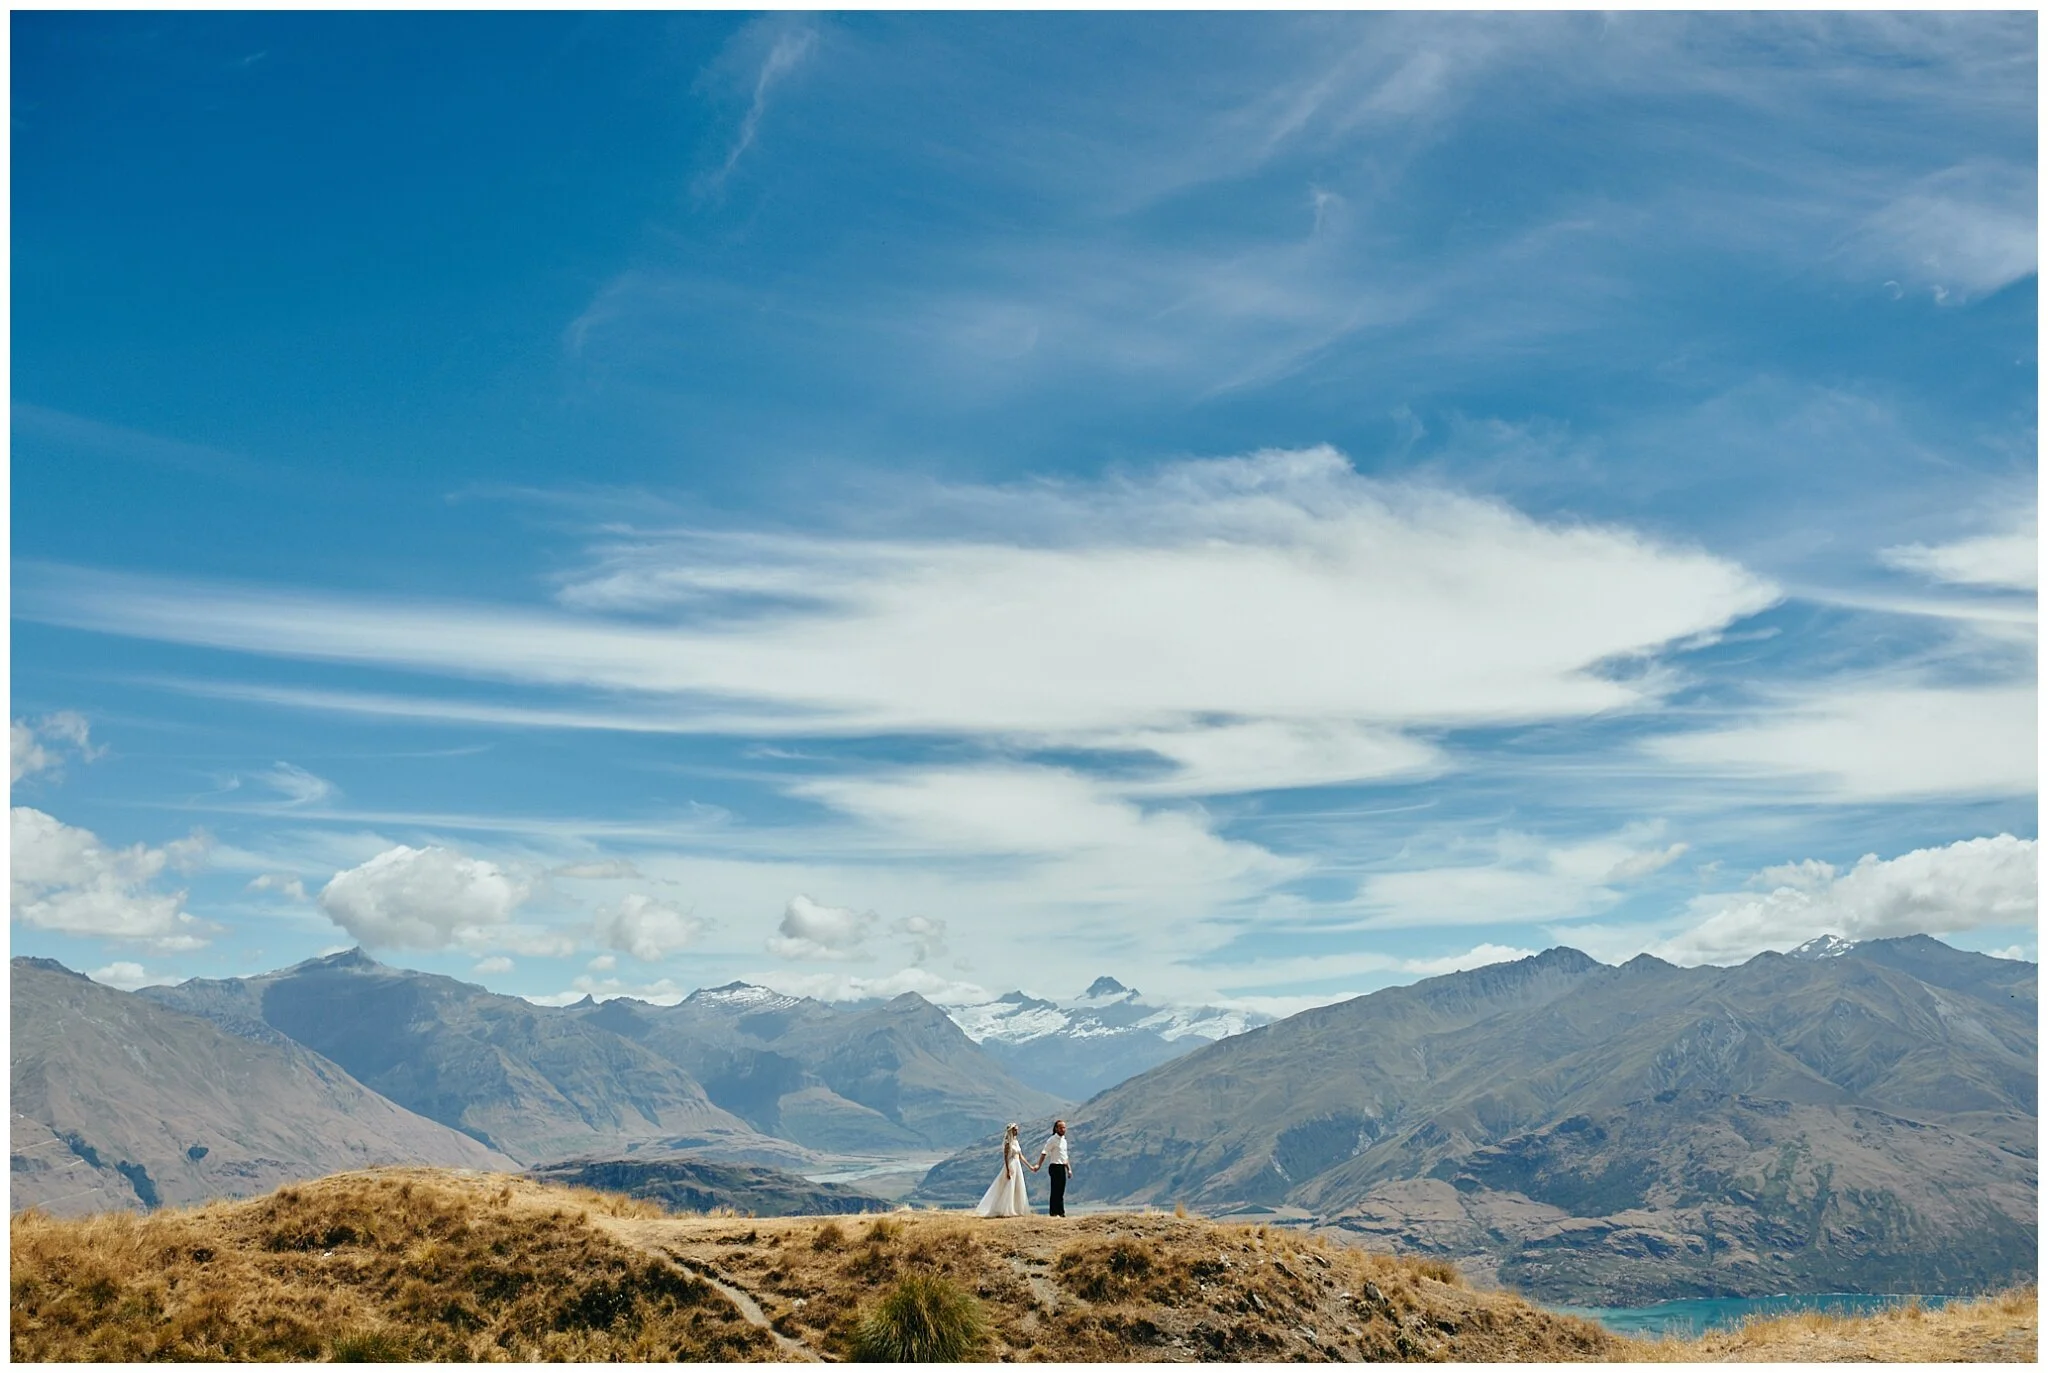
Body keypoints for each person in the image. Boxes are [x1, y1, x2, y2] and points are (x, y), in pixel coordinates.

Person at [973, 1123, 1032, 1218]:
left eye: (1017, 1130)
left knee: (1018, 1186)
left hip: (1018, 1165)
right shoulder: (1008, 1143)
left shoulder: (1016, 1142)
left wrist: (1030, 1166)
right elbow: (1005, 1157)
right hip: (1011, 1164)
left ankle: (1017, 1208)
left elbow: (1021, 1156)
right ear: (1011, 1131)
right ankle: (1006, 1209)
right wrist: (1008, 1169)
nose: (1017, 1131)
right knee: (1009, 1186)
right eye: (1015, 1130)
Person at [1035, 1119, 1072, 1217]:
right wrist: (1039, 1164)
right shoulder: (1052, 1140)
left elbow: (1065, 1156)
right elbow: (1044, 1152)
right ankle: (1054, 1212)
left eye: (1064, 1127)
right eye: (1061, 1128)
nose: (1063, 1129)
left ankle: (1061, 1211)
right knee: (1055, 1190)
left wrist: (1069, 1169)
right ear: (1056, 1129)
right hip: (1055, 1166)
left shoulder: (1064, 1141)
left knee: (1061, 1190)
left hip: (1062, 1166)